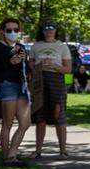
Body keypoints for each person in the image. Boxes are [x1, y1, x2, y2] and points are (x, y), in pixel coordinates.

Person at [0, 17, 32, 166]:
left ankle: (12, 153)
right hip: (6, 85)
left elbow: (27, 69)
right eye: (9, 30)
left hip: (22, 87)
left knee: (25, 123)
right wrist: (9, 62)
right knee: (7, 123)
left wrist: (25, 62)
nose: (13, 32)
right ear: (2, 32)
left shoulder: (21, 47)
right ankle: (8, 157)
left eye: (16, 30)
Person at [30, 22, 71, 158]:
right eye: (46, 28)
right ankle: (38, 150)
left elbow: (68, 69)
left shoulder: (62, 46)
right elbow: (30, 63)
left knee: (59, 115)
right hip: (40, 81)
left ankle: (63, 150)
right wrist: (38, 65)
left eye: (51, 28)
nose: (49, 31)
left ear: (55, 30)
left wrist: (54, 65)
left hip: (57, 81)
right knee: (40, 116)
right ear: (42, 31)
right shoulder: (36, 45)